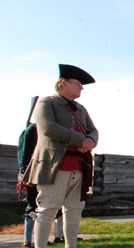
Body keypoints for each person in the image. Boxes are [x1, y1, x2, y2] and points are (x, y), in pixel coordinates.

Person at [24, 64, 98, 248]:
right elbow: (49, 128)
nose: (81, 87)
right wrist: (81, 140)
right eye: (78, 83)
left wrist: (90, 141)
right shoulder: (46, 103)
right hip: (54, 165)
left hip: (78, 167)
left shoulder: (81, 109)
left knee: (73, 211)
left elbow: (94, 131)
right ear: (63, 83)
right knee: (47, 210)